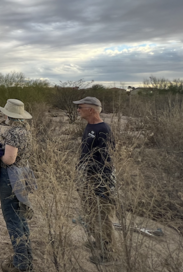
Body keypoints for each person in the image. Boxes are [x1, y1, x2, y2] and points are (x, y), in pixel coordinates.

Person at [73, 97, 116, 265]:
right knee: (90, 212)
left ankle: (109, 254)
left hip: (100, 179)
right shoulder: (89, 126)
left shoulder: (103, 129)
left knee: (103, 215)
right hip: (87, 177)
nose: (78, 110)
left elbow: (107, 159)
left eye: (80, 107)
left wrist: (102, 185)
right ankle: (99, 242)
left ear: (91, 110)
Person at [0, 99, 35, 272]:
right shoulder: (26, 131)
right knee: (20, 216)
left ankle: (21, 264)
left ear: (9, 115)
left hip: (10, 176)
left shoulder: (13, 133)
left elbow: (9, 159)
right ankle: (27, 257)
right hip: (23, 173)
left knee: (12, 218)